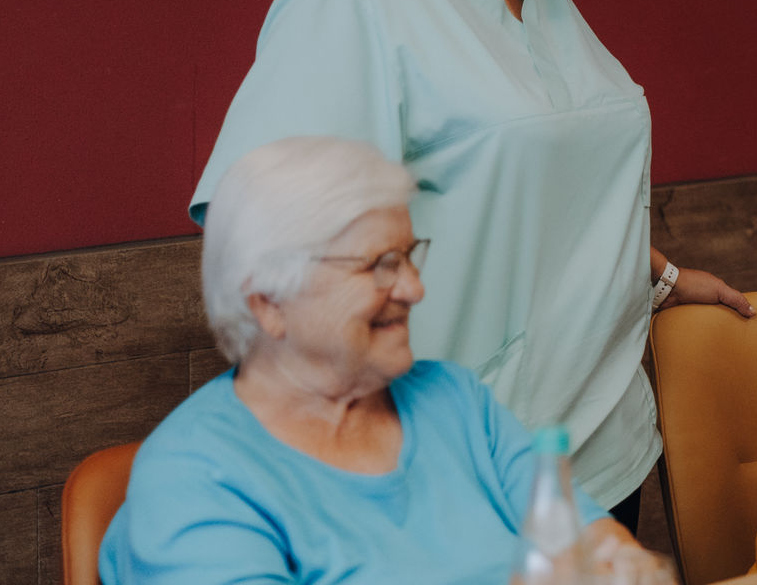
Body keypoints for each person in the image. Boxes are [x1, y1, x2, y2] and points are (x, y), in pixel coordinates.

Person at [189, 0, 750, 525]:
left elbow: (539, 184)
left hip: (602, 449)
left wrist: (655, 279)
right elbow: (263, 227)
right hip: (460, 466)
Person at [104, 137, 666, 583]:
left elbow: (584, 535)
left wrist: (620, 563)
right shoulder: (193, 479)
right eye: (378, 265)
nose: (415, 289)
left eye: (408, 255)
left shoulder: (455, 400)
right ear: (269, 303)